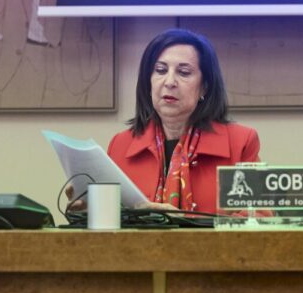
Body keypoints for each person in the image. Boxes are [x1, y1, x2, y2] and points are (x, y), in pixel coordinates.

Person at [106, 28, 261, 213]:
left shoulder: (240, 142)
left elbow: (259, 217)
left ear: (204, 87)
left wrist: (183, 226)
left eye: (184, 72)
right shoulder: (121, 145)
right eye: (161, 70)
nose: (169, 81)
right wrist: (88, 213)